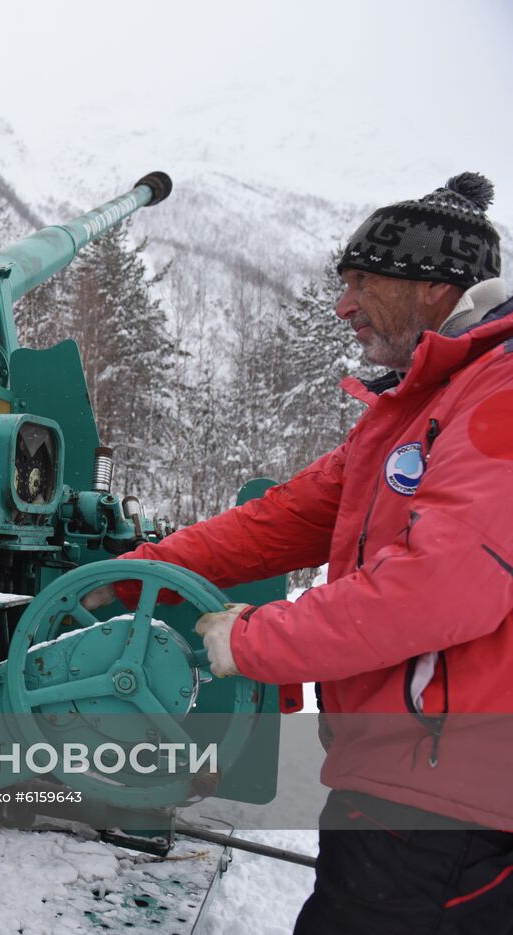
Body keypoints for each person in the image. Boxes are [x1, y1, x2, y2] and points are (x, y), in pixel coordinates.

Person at [89, 173, 511, 933]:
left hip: (454, 802)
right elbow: (281, 519)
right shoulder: (412, 407)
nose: (344, 306)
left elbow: (436, 588)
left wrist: (247, 638)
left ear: (433, 288)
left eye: (360, 282)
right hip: (398, 784)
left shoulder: (497, 395)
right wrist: (136, 576)